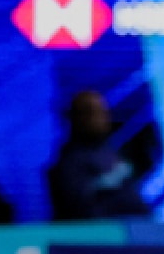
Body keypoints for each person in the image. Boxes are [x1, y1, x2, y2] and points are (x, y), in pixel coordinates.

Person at [47, 90, 151, 221]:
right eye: (91, 112)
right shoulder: (69, 163)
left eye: (103, 112)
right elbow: (82, 210)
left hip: (137, 228)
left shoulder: (112, 154)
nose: (100, 118)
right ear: (76, 117)